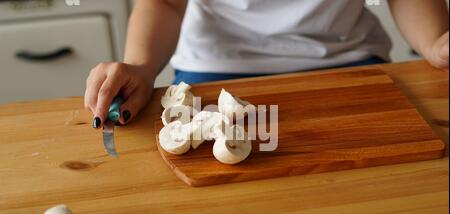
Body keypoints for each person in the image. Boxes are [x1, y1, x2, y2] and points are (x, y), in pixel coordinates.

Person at [85, 0, 449, 129]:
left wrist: (435, 43)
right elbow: (165, 1)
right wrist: (142, 66)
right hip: (215, 66)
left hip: (349, 58)